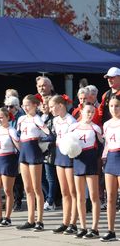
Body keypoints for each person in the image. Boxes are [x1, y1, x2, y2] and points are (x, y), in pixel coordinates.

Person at [68, 102, 102, 239]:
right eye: (87, 111)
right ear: (81, 111)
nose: (90, 114)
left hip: (91, 163)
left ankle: (94, 228)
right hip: (78, 162)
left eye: (92, 112)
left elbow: (101, 145)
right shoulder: (73, 127)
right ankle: (82, 227)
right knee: (80, 197)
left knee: (94, 196)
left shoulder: (96, 128)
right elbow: (67, 143)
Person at [16, 94, 49, 232]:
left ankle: (40, 220)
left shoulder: (38, 119)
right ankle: (30, 219)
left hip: (34, 153)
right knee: (27, 188)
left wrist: (41, 142)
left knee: (36, 188)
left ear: (35, 105)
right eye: (23, 105)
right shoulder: (21, 119)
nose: (25, 107)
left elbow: (49, 135)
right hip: (23, 153)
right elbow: (18, 134)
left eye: (27, 105)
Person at [49, 95, 78, 234]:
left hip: (69, 155)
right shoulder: (55, 120)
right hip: (59, 155)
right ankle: (65, 222)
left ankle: (73, 223)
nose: (50, 109)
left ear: (61, 105)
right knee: (64, 191)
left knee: (73, 191)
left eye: (52, 106)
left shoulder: (71, 121)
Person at [100, 95, 120, 242]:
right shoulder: (106, 124)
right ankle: (111, 231)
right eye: (112, 106)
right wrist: (103, 158)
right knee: (110, 197)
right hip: (111, 159)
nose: (114, 109)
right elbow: (107, 144)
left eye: (117, 106)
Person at [4, 95, 25, 211]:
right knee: (9, 177)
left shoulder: (20, 118)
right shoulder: (8, 118)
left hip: (18, 150)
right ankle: (10, 200)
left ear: (16, 107)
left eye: (11, 106)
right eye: (6, 106)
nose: (8, 108)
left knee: (17, 178)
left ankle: (18, 201)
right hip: (8, 150)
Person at [40, 96, 57, 212]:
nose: (44, 107)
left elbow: (53, 136)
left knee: (50, 177)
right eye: (42, 104)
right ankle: (48, 198)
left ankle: (50, 201)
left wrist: (40, 139)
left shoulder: (53, 119)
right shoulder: (40, 117)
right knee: (41, 178)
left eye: (46, 105)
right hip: (40, 151)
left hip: (50, 151)